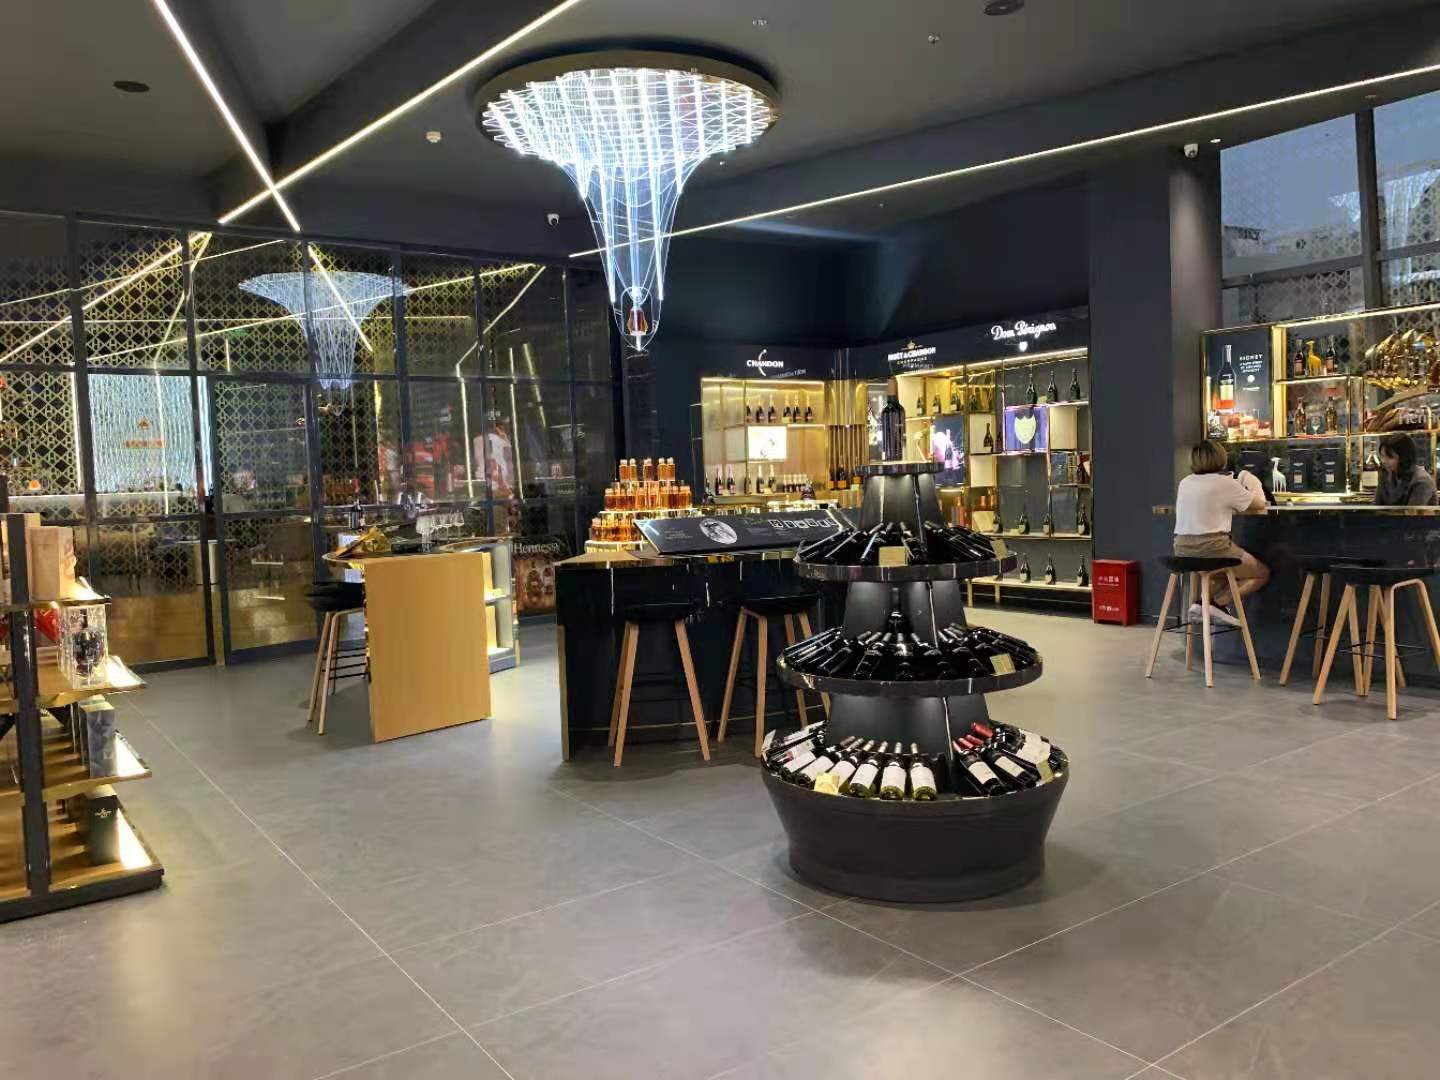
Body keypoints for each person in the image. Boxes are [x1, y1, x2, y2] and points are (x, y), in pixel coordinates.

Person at [1174, 440, 1269, 626]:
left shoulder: (1185, 482)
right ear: (1221, 458)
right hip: (1213, 551)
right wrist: (1251, 480)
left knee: (1220, 573)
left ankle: (1201, 604)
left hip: (1182, 552)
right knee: (1261, 573)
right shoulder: (1225, 483)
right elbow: (1259, 505)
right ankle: (1218, 603)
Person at [1374, 432, 1437, 506]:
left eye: (1390, 457)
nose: (1384, 461)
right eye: (1382, 456)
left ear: (1404, 457)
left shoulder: (1422, 480)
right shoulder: (1385, 475)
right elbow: (1376, 507)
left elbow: (1412, 512)